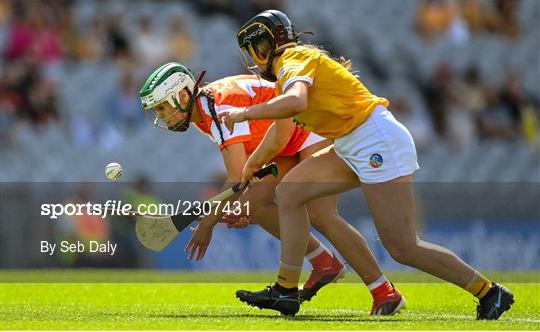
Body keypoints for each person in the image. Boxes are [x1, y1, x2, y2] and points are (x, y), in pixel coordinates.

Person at [219, 10, 514, 319]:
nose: (255, 57)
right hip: (352, 142)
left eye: (256, 48)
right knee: (290, 192)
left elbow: (296, 103)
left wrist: (245, 114)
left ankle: (489, 292)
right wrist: (252, 165)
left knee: (403, 247)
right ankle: (286, 290)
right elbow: (280, 134)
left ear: (268, 45)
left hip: (376, 141)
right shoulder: (288, 70)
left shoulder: (292, 59)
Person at [139, 62, 405, 315]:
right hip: (282, 141)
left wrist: (209, 224)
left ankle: (385, 292)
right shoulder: (203, 112)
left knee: (321, 214)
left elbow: (235, 176)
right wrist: (243, 204)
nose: (161, 117)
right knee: (257, 204)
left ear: (182, 97)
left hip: (308, 127)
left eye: (162, 108)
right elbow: (249, 163)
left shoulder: (216, 107)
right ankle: (324, 263)